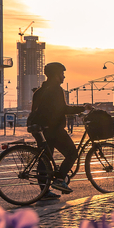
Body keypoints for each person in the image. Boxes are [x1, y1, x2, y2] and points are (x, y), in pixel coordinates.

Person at [28, 62, 89, 195]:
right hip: (53, 129)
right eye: (62, 74)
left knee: (44, 159)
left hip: (39, 128)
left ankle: (44, 191)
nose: (64, 77)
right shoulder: (56, 90)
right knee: (72, 153)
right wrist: (83, 108)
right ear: (56, 75)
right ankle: (60, 179)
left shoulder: (39, 91)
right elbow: (64, 109)